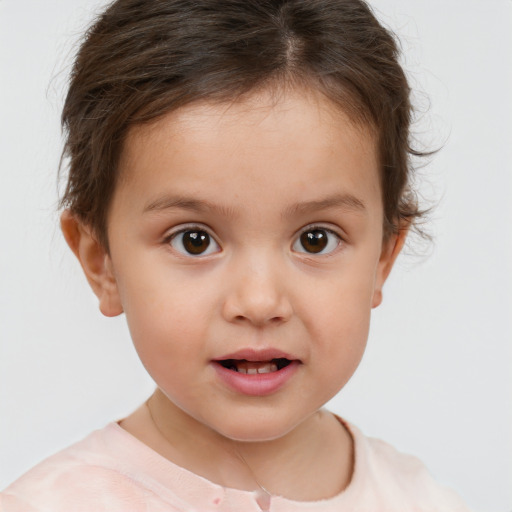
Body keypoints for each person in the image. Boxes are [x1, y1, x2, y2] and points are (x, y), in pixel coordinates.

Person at [0, 0, 473, 510]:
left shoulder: (420, 499)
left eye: (315, 239)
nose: (259, 300)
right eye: (194, 239)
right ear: (102, 263)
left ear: (383, 257)